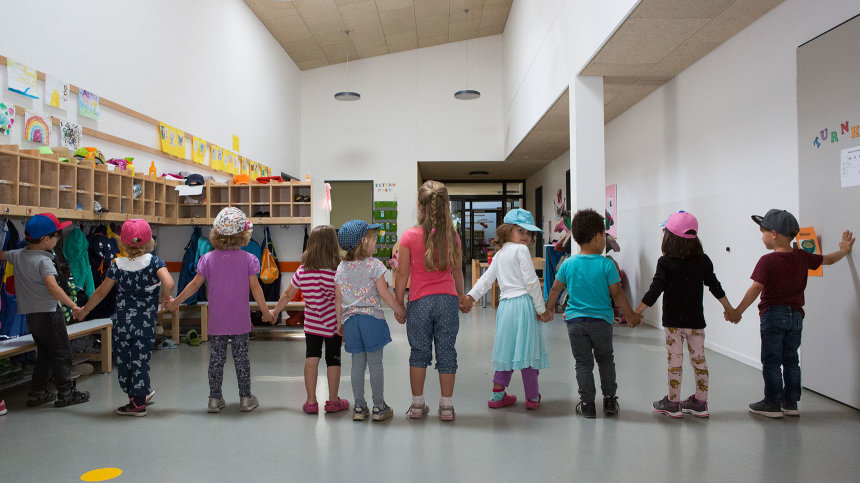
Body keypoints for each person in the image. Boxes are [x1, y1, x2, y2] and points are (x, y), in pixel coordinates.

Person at [726, 209, 854, 418]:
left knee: (772, 360)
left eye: (763, 232)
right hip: (796, 317)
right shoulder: (801, 257)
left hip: (773, 316)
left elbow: (756, 289)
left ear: (774, 234)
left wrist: (737, 312)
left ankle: (772, 403)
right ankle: (790, 402)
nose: (762, 236)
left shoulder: (767, 261)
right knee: (791, 360)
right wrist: (844, 251)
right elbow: (828, 260)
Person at [166, 208, 274, 413]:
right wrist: (265, 311)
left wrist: (176, 303)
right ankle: (245, 398)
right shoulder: (250, 259)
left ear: (216, 234)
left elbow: (193, 286)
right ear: (243, 235)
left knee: (216, 361)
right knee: (242, 361)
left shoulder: (206, 259)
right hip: (240, 321)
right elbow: (256, 288)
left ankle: (214, 399)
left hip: (216, 322)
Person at [635, 211, 733, 418]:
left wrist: (636, 312)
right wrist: (729, 308)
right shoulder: (703, 260)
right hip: (696, 322)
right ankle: (700, 402)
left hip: (673, 323)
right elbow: (715, 286)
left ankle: (673, 403)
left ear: (669, 237)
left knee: (675, 361)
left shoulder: (666, 262)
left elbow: (655, 289)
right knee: (700, 361)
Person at [546, 209, 641, 418]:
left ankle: (587, 404)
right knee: (606, 360)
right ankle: (609, 401)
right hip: (602, 323)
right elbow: (617, 294)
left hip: (575, 323)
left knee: (583, 363)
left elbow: (555, 289)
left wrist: (547, 310)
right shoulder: (606, 264)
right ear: (599, 237)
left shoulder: (568, 263)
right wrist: (631, 315)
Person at [75, 219, 174, 416]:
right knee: (141, 359)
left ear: (122, 243)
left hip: (122, 324)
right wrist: (165, 296)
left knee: (124, 361)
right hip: (145, 324)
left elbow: (101, 293)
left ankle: (137, 401)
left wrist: (84, 310)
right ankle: (141, 394)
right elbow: (169, 282)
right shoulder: (155, 262)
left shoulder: (117, 265)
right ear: (149, 242)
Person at [461, 209, 553, 410]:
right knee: (528, 351)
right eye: (521, 231)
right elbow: (531, 283)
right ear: (507, 231)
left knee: (506, 351)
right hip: (523, 306)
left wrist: (471, 297)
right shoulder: (521, 251)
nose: (526, 236)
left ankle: (497, 396)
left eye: (529, 233)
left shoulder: (500, 254)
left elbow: (486, 280)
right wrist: (541, 309)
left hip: (505, 308)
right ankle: (532, 398)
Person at [0, 213, 90, 407]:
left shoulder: (18, 254)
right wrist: (73, 305)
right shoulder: (44, 261)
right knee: (61, 353)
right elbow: (53, 287)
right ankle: (66, 393)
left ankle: (38, 393)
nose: (58, 239)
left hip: (32, 317)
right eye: (56, 235)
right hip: (50, 314)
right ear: (45, 239)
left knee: (45, 354)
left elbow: (2, 254)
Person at [394, 180, 466, 421]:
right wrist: (462, 297)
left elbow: (402, 274)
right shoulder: (452, 236)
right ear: (445, 206)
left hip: (420, 302)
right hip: (447, 301)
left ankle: (417, 405)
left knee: (418, 353)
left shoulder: (409, 236)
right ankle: (446, 407)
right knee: (447, 351)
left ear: (419, 206)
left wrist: (398, 303)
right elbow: (457, 271)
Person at [272, 225, 348, 414]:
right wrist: (345, 323)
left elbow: (288, 293)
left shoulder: (303, 270)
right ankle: (332, 401)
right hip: (333, 325)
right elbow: (343, 299)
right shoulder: (337, 270)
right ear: (333, 245)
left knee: (311, 359)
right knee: (333, 360)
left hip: (312, 325)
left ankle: (311, 401)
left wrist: (275, 312)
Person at [335, 220, 405, 422]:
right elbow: (383, 293)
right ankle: (379, 406)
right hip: (371, 321)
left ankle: (358, 407)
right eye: (374, 239)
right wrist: (399, 310)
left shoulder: (341, 268)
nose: (377, 243)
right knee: (375, 364)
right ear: (365, 241)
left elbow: (338, 299)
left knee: (357, 366)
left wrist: (339, 324)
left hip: (351, 323)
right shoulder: (374, 265)